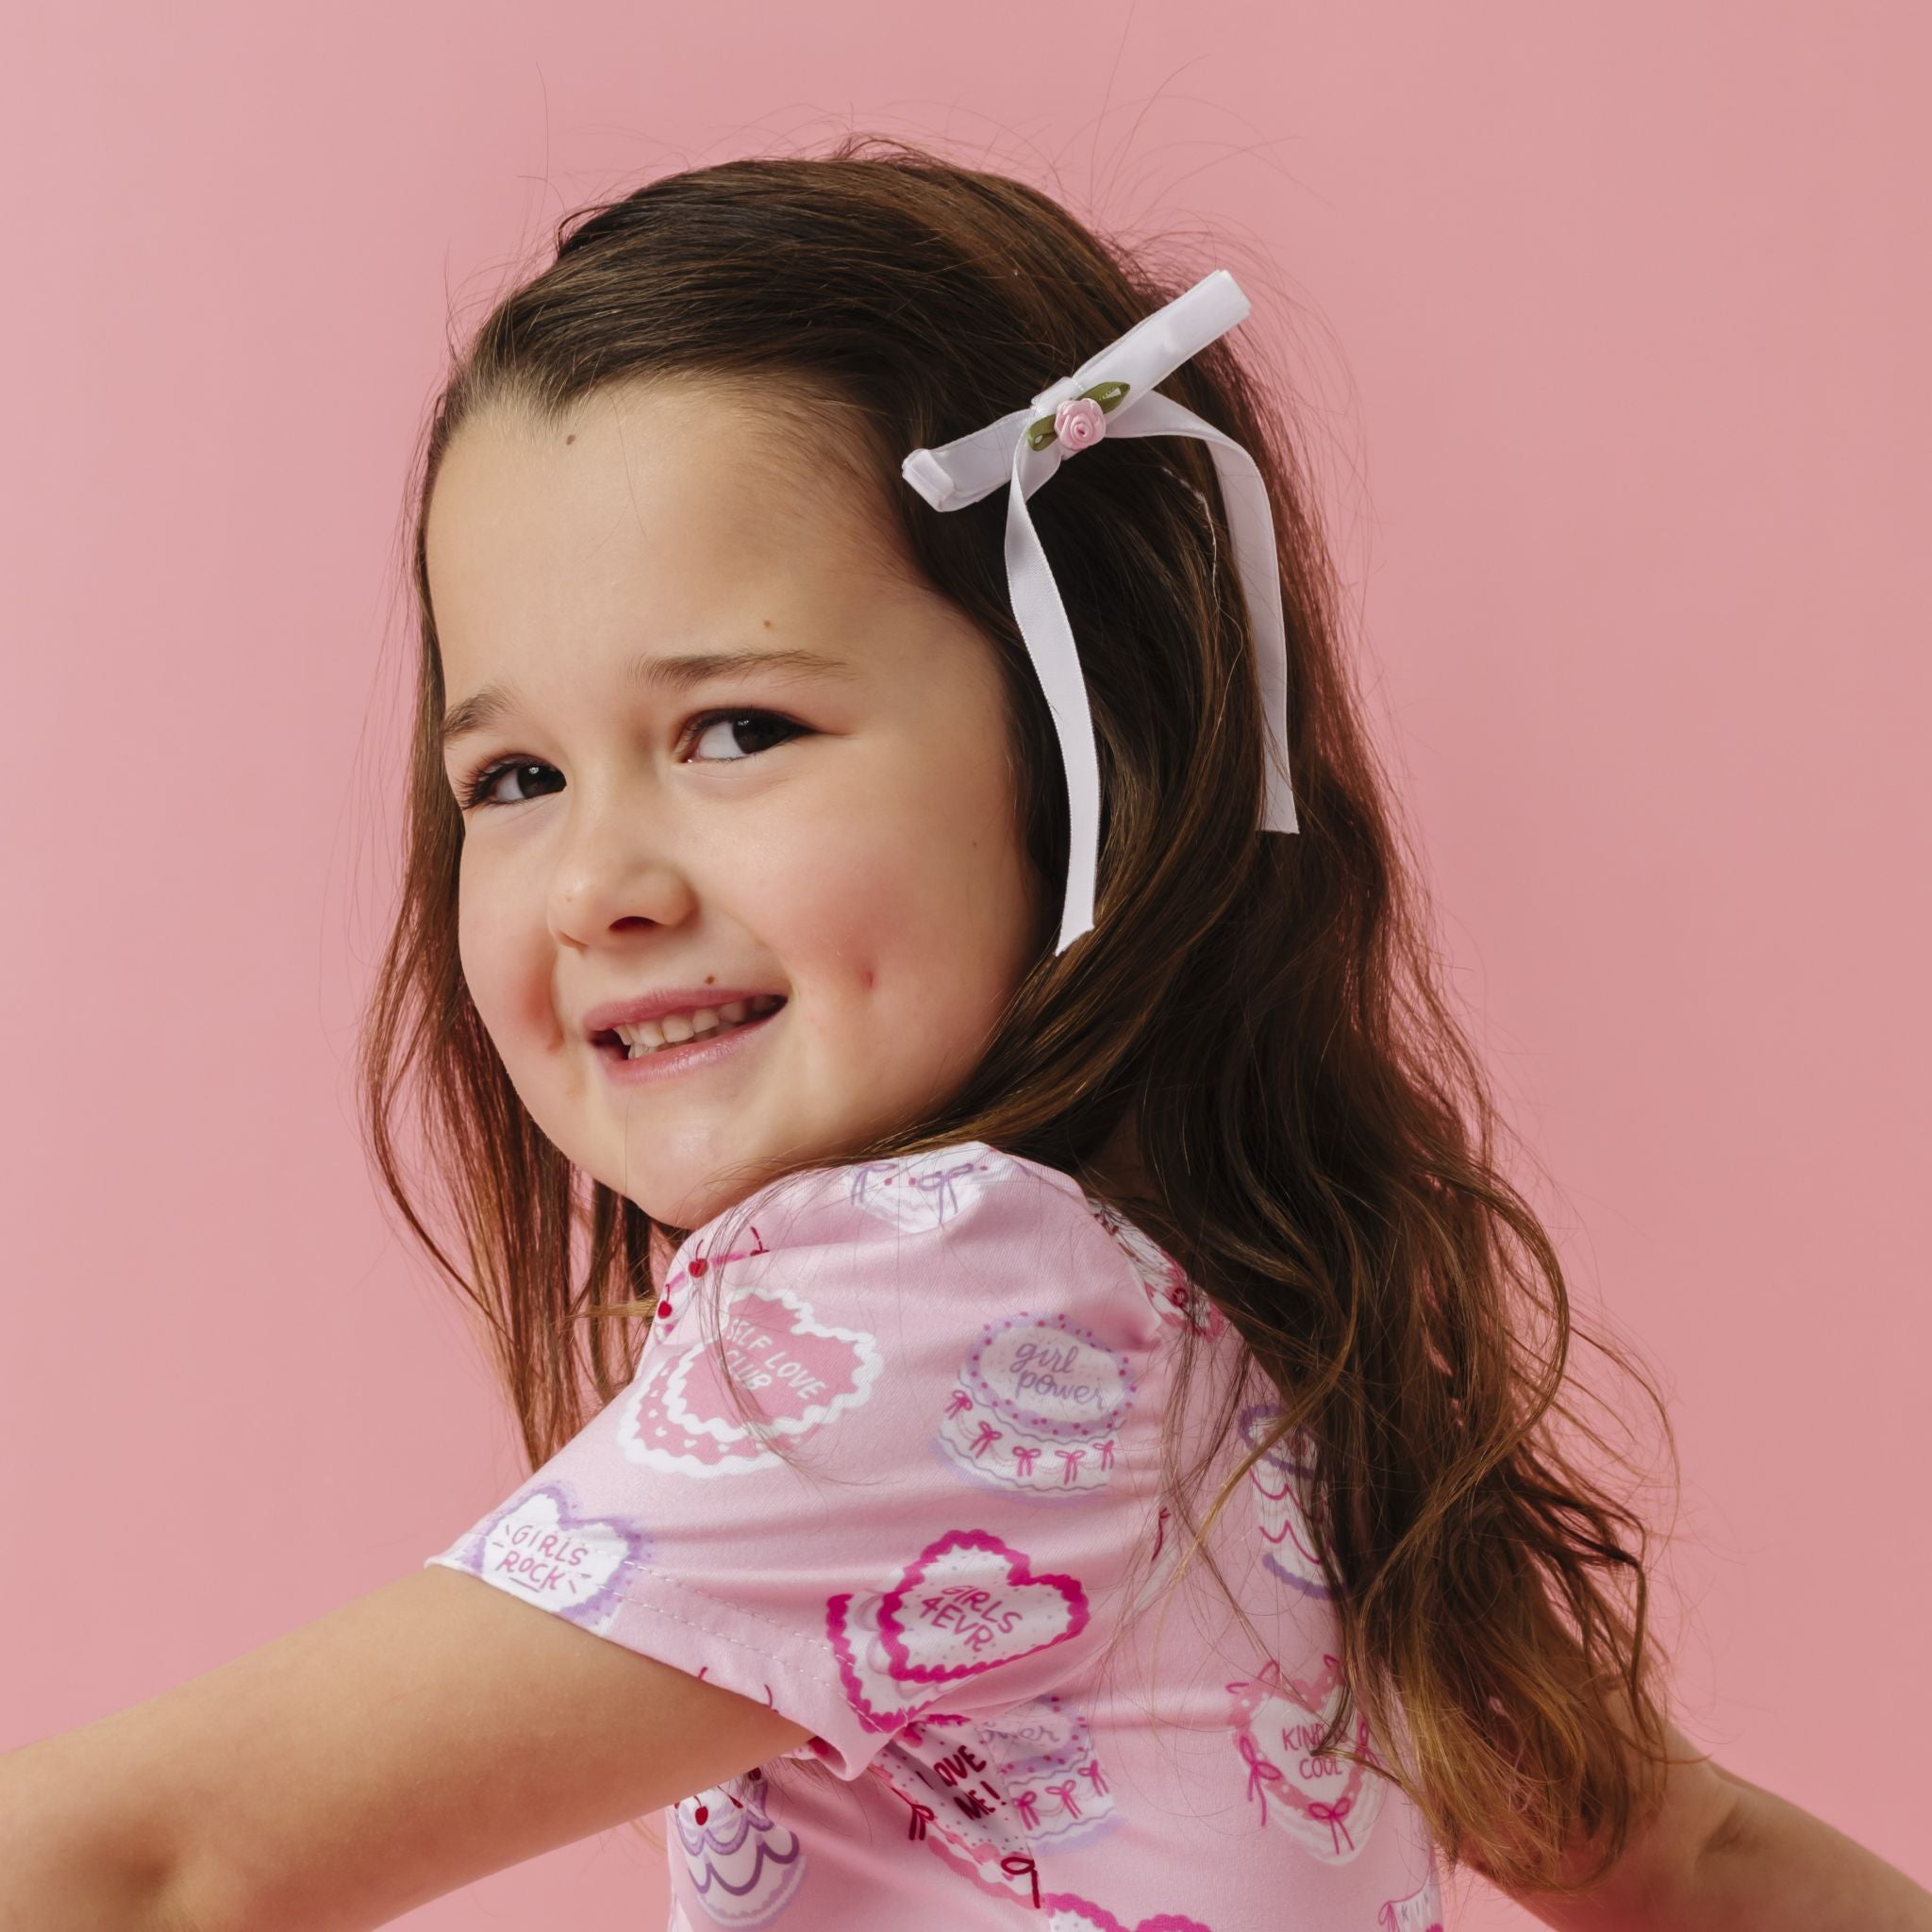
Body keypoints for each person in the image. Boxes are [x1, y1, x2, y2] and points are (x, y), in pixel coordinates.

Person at [2, 136, 1924, 1932]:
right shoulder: (1210, 1303)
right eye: (511, 773)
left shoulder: (950, 1308)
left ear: (1095, 751)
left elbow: (163, 1862)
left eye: (736, 730)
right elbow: (1681, 1843)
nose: (598, 881)